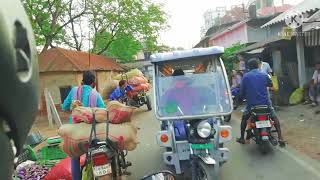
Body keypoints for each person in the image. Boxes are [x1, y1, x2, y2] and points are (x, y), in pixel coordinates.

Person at [61, 70, 106, 180]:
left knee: (74, 158)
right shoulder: (96, 95)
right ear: (93, 83)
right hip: (91, 136)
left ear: (82, 81)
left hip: (75, 134)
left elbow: (64, 107)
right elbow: (103, 113)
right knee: (99, 150)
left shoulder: (73, 91)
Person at [236, 58, 285, 147]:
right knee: (274, 117)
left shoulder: (246, 76)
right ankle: (280, 137)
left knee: (244, 118)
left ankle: (242, 137)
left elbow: (241, 93)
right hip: (266, 104)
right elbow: (271, 85)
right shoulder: (264, 74)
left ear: (248, 67)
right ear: (258, 65)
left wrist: (239, 101)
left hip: (252, 106)